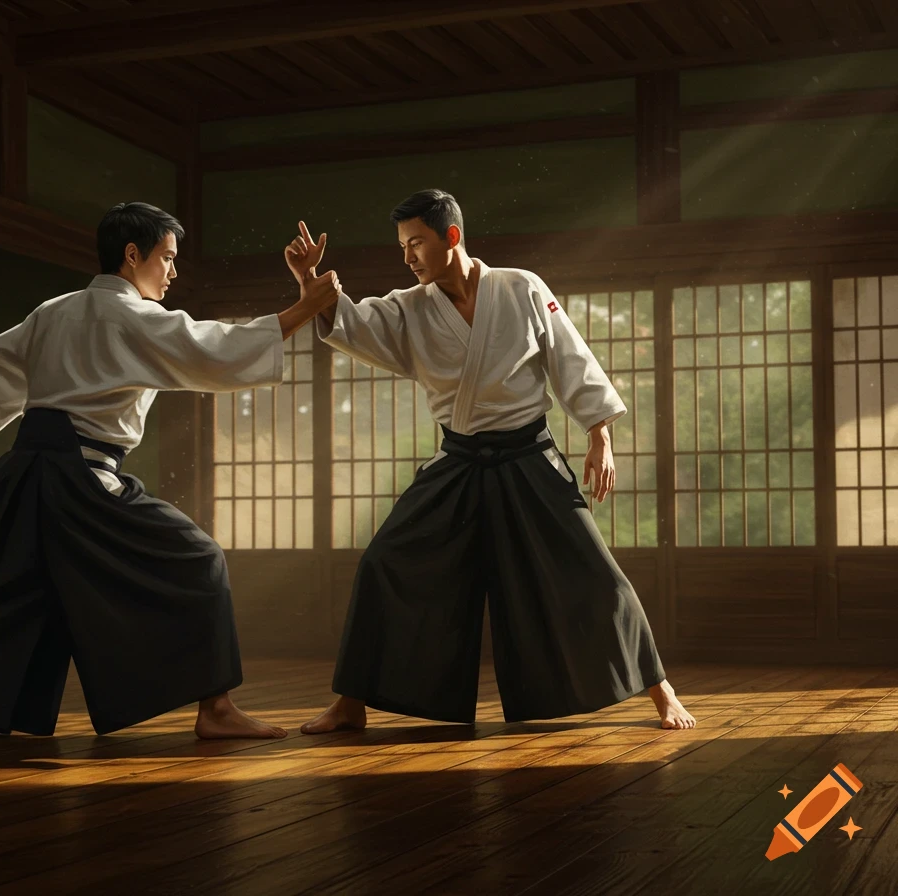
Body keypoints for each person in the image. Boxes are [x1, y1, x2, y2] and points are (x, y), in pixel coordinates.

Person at [0, 202, 341, 740]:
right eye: (167, 258)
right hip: (81, 478)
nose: (173, 272)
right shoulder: (135, 316)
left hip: (26, 471)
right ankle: (215, 711)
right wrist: (303, 309)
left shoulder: (55, 309)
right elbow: (212, 350)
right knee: (199, 558)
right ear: (132, 255)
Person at [285, 189, 695, 735]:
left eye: (417, 244)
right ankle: (351, 703)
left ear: (451, 237)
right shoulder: (410, 305)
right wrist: (311, 290)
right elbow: (352, 324)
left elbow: (569, 357)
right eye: (402, 246)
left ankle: (660, 690)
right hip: (458, 461)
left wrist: (600, 434)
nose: (407, 257)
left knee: (594, 573)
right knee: (383, 562)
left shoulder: (521, 287)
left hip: (528, 456)